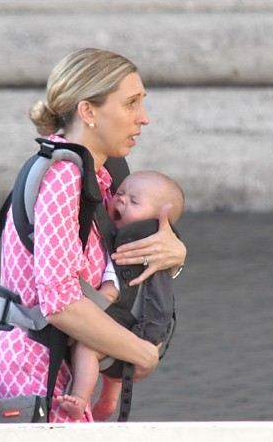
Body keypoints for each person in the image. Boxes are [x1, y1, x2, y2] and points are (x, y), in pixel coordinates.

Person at [0, 48, 187, 423]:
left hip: (59, 373)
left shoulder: (104, 177)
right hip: (33, 378)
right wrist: (141, 353)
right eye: (131, 104)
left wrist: (173, 254)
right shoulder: (63, 179)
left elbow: (121, 254)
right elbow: (60, 302)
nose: (144, 118)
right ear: (88, 111)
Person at [57, 170, 185, 421]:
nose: (122, 200)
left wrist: (105, 293)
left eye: (134, 201)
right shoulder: (160, 245)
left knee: (87, 345)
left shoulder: (134, 242)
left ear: (161, 218)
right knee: (112, 347)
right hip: (148, 327)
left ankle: (80, 397)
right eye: (120, 193)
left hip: (132, 324)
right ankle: (110, 398)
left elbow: (118, 277)